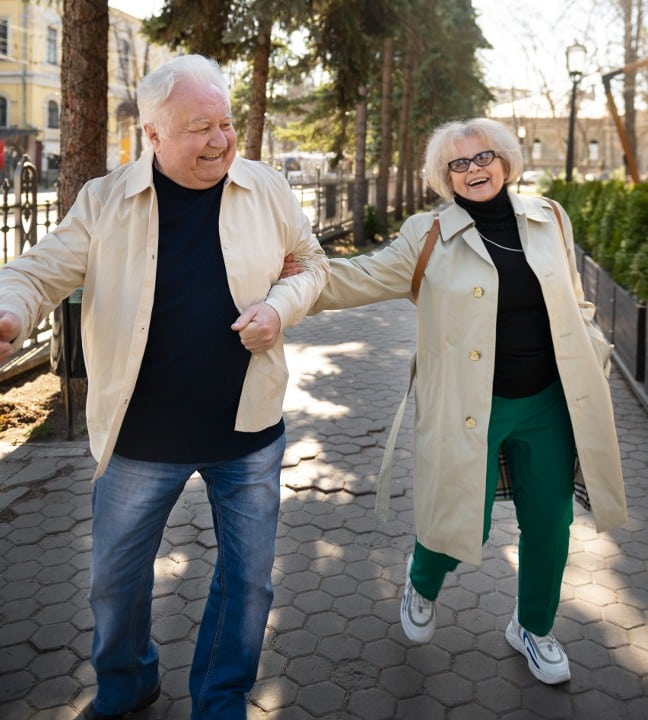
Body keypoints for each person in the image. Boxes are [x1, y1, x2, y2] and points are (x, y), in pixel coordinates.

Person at [0, 54, 328, 719]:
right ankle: (127, 685)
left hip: (248, 431)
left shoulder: (266, 188)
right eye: (199, 126)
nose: (220, 139)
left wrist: (281, 307)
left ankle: (220, 700)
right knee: (114, 586)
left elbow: (311, 262)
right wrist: (8, 311)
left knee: (248, 586)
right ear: (152, 134)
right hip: (140, 436)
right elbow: (35, 273)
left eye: (226, 122)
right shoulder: (104, 201)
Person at [300, 118, 627, 685]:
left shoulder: (548, 218)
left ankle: (532, 628)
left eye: (484, 157)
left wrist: (592, 343)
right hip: (471, 404)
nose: (475, 169)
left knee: (550, 524)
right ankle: (421, 581)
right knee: (461, 522)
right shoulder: (427, 234)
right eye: (459, 163)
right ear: (444, 177)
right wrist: (290, 279)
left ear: (505, 161)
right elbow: (354, 278)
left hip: (550, 401)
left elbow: (572, 296)